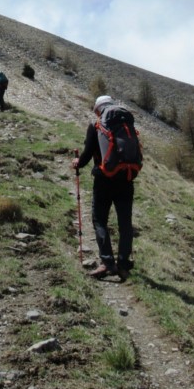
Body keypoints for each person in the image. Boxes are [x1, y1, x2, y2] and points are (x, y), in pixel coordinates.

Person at [72, 95, 136, 280]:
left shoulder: (96, 125)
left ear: (98, 109)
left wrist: (77, 162)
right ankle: (123, 264)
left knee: (100, 220)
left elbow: (86, 155)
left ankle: (107, 263)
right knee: (125, 223)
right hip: (126, 179)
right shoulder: (126, 123)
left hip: (104, 180)